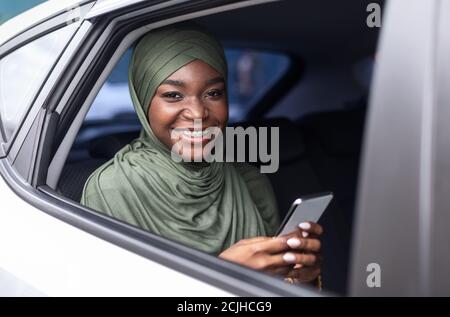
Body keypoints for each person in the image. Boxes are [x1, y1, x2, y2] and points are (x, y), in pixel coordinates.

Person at [81, 23, 322, 285]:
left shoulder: (249, 181)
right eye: (173, 95)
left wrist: (300, 278)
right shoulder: (112, 190)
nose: (197, 113)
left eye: (213, 93)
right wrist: (222, 275)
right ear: (142, 99)